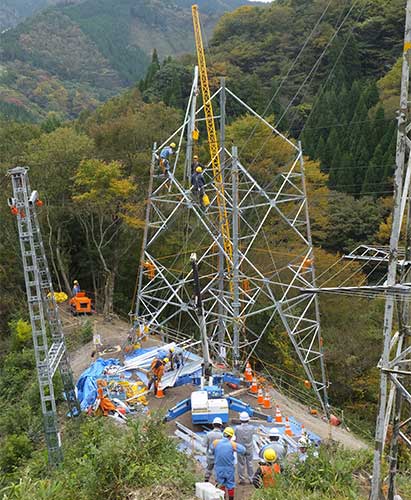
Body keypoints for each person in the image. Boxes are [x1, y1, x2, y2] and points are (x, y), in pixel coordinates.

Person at [212, 426, 246, 500]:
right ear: (230, 436)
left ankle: (222, 498)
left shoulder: (216, 442)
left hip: (218, 468)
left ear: (223, 434)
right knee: (230, 484)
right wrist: (233, 446)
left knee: (221, 484)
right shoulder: (232, 444)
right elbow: (243, 450)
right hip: (229, 468)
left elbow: (211, 451)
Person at [235, 412, 255, 485]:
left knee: (240, 464)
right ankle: (251, 478)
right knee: (250, 463)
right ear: (248, 420)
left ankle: (242, 479)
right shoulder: (251, 428)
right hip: (249, 448)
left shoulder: (237, 428)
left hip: (240, 448)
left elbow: (235, 436)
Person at [203, 417, 224, 482]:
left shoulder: (208, 434)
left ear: (213, 425)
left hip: (210, 456)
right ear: (220, 425)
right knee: (218, 470)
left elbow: (204, 445)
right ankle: (218, 482)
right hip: (219, 456)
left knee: (209, 469)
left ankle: (206, 480)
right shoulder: (222, 435)